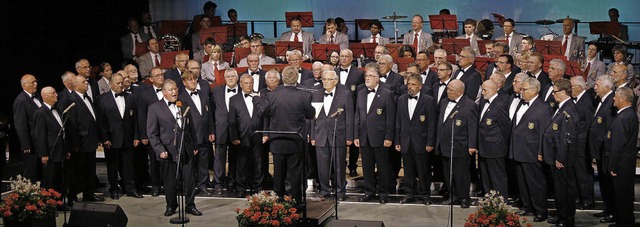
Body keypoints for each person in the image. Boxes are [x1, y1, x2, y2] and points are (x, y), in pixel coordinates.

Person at [258, 66, 315, 205]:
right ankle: (295, 202)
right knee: (295, 173)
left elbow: (261, 113)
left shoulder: (271, 95)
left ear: (282, 78)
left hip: (277, 141)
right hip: (296, 141)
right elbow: (311, 114)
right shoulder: (304, 95)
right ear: (297, 78)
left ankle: (278, 201)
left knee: (279, 173)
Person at [147, 79, 201, 217]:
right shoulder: (154, 108)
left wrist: (194, 144)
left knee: (190, 180)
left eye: (175, 89)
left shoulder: (184, 105)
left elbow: (191, 127)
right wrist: (159, 150)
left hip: (186, 149)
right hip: (168, 150)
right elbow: (152, 133)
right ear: (164, 92)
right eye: (170, 90)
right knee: (170, 181)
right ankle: (171, 205)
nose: (174, 92)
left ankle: (190, 205)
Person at [509, 77, 550, 222]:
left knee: (535, 182)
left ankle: (540, 210)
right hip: (519, 149)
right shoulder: (522, 103)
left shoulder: (543, 108)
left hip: (532, 151)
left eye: (524, 89)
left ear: (533, 90)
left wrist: (540, 152)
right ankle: (527, 206)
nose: (521, 92)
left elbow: (544, 133)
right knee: (522, 181)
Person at [354, 63, 396, 204]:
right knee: (367, 167)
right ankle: (369, 191)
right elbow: (357, 116)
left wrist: (389, 137)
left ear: (378, 78)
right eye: (366, 76)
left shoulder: (386, 93)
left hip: (380, 136)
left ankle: (383, 193)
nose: (367, 78)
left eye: (371, 76)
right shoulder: (360, 93)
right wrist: (356, 135)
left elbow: (391, 118)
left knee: (383, 167)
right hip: (364, 136)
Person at [97, 73, 144, 200]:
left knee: (128, 165)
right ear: (110, 84)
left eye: (121, 83)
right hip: (112, 139)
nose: (120, 85)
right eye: (117, 83)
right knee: (113, 166)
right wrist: (105, 138)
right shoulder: (102, 99)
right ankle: (114, 189)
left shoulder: (130, 98)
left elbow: (135, 119)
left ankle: (130, 189)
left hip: (128, 138)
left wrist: (136, 136)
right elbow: (101, 122)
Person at [309, 70, 353, 201]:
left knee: (339, 164)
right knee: (322, 166)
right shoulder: (316, 94)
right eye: (324, 79)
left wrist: (349, 136)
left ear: (336, 81)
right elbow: (312, 117)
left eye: (329, 79)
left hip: (338, 134)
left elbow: (349, 117)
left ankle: (340, 191)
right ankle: (324, 190)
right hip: (320, 135)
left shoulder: (345, 94)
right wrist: (312, 136)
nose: (326, 82)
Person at [542, 79, 579, 226]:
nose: (553, 94)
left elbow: (566, 137)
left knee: (564, 190)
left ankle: (566, 219)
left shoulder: (569, 110)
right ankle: (561, 215)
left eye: (555, 92)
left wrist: (560, 158)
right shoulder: (561, 107)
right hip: (556, 156)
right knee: (559, 190)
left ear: (564, 92)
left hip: (562, 159)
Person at [395, 73, 436, 205]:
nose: (410, 87)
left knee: (423, 170)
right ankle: (409, 194)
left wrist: (430, 142)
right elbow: (398, 122)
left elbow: (431, 124)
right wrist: (397, 141)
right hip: (406, 141)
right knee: (408, 171)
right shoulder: (401, 99)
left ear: (420, 86)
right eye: (408, 84)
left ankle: (425, 196)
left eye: (413, 84)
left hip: (422, 142)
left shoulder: (428, 100)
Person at [436, 79, 478, 208]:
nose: (447, 91)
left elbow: (472, 126)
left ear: (460, 91)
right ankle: (453, 195)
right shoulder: (443, 102)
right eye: (447, 89)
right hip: (444, 144)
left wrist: (472, 145)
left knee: (461, 174)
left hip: (460, 145)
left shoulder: (469, 105)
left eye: (451, 90)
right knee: (448, 173)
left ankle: (464, 197)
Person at [66, 75, 105, 205]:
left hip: (91, 142)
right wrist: (75, 145)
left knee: (90, 170)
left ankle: (89, 194)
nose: (87, 82)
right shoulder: (71, 100)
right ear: (76, 85)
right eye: (84, 82)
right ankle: (72, 197)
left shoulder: (87, 97)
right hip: (80, 144)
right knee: (77, 172)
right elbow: (71, 125)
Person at [604, 87, 637, 226]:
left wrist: (612, 165)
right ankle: (626, 221)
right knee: (625, 195)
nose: (613, 98)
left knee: (622, 196)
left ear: (623, 99)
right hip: (626, 162)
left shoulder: (623, 117)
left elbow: (618, 144)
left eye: (616, 96)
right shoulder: (630, 114)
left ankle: (623, 223)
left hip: (621, 164)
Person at [179, 71, 214, 196]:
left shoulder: (203, 94)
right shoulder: (181, 97)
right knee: (189, 165)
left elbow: (208, 114)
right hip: (190, 137)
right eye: (190, 80)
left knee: (203, 163)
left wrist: (211, 131)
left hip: (204, 135)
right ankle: (189, 187)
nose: (193, 82)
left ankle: (202, 185)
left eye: (194, 79)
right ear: (184, 82)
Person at [228, 74, 264, 197]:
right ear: (241, 84)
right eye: (247, 83)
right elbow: (232, 120)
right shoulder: (234, 99)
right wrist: (234, 137)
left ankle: (257, 188)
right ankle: (240, 188)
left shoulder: (259, 97)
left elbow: (264, 116)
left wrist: (265, 133)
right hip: (242, 138)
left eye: (251, 83)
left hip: (257, 136)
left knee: (257, 164)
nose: (249, 85)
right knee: (242, 164)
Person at [589, 75, 617, 222]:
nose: (595, 87)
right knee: (603, 182)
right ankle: (607, 209)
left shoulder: (611, 100)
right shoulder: (600, 100)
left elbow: (610, 127)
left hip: (605, 148)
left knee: (608, 183)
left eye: (598, 85)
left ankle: (612, 211)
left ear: (607, 87)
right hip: (599, 148)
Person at [477, 80, 510, 199]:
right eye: (482, 90)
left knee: (497, 177)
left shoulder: (500, 104)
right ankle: (489, 201)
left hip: (495, 148)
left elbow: (506, 127)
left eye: (485, 90)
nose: (482, 93)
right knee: (486, 177)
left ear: (494, 89)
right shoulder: (484, 102)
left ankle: (500, 203)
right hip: (484, 147)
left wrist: (501, 144)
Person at [33, 86, 69, 195]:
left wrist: (65, 149)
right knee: (50, 179)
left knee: (59, 178)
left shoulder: (57, 109)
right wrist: (43, 154)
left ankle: (58, 201)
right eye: (53, 93)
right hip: (50, 151)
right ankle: (50, 203)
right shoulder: (41, 112)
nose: (56, 95)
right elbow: (40, 135)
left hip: (59, 150)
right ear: (45, 96)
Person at [136, 67, 166, 197]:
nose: (161, 77)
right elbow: (142, 116)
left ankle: (168, 184)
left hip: (167, 131)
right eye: (157, 75)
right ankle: (156, 186)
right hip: (153, 132)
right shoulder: (145, 94)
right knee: (154, 161)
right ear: (151, 79)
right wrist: (143, 134)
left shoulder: (169, 90)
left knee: (168, 160)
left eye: (161, 74)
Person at [210, 69, 240, 195]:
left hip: (237, 130)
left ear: (237, 78)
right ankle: (218, 184)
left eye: (233, 76)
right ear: (224, 78)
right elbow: (211, 112)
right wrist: (212, 130)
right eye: (228, 76)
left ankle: (232, 182)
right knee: (219, 159)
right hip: (220, 129)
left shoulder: (242, 90)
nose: (231, 78)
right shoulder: (216, 91)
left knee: (235, 158)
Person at [569, 76, 595, 210]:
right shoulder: (577, 100)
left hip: (582, 142)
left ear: (579, 88)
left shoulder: (586, 102)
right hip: (575, 141)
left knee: (583, 172)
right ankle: (579, 196)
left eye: (571, 87)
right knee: (576, 171)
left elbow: (589, 123)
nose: (569, 89)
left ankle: (587, 199)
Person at [13, 74, 42, 183]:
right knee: (31, 171)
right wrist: (26, 144)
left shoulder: (38, 96)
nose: (36, 84)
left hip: (40, 142)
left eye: (36, 81)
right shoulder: (20, 101)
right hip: (31, 143)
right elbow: (21, 125)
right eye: (32, 82)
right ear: (24, 85)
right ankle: (30, 197)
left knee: (40, 171)